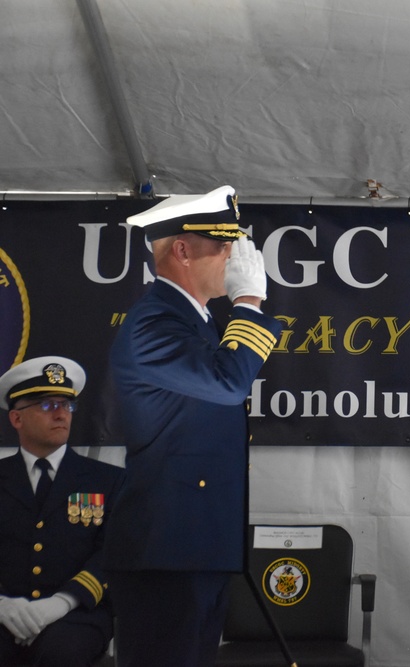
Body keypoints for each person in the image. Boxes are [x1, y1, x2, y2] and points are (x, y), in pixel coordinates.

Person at [103, 186, 283, 667]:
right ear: (182, 250)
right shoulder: (153, 323)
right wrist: (247, 302)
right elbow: (228, 383)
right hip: (165, 549)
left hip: (195, 545)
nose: (234, 255)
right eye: (224, 244)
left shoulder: (191, 321)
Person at [0, 356, 124, 666]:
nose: (60, 414)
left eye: (66, 405)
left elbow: (114, 553)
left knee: (58, 654)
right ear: (16, 419)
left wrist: (62, 602)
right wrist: (2, 606)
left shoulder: (108, 481)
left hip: (79, 613)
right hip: (4, 611)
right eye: (46, 405)